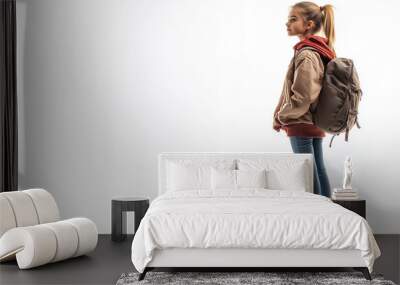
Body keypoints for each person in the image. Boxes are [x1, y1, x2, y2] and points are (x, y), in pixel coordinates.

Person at [273, 2, 336, 197]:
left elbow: (303, 96)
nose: (287, 23)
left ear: (308, 24)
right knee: (318, 169)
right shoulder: (319, 50)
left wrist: (282, 116)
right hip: (313, 120)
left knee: (308, 174)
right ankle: (327, 217)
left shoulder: (307, 54)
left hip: (300, 121)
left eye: (293, 19)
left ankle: (318, 219)